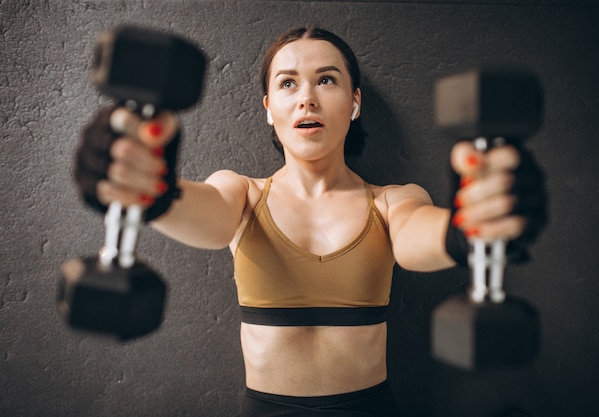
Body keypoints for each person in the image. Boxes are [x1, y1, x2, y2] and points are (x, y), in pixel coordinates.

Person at [75, 27, 546, 416]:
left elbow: (419, 235)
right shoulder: (241, 192)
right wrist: (153, 191)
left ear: (354, 102)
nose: (307, 99)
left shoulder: (393, 201)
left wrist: (470, 226)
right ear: (267, 109)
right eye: (287, 83)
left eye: (326, 80)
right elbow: (206, 215)